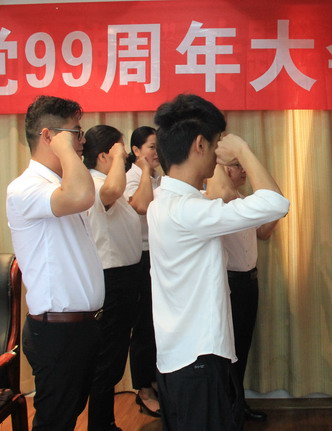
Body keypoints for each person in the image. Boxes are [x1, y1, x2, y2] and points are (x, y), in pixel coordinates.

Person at [147, 94, 289, 431]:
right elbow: (276, 203)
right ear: (200, 144)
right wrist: (242, 149)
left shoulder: (166, 201)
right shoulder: (187, 210)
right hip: (197, 358)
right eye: (216, 144)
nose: (218, 154)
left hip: (182, 356)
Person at [6, 95, 103, 431]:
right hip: (57, 331)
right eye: (76, 132)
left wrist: (66, 147)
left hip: (79, 328)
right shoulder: (24, 188)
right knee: (54, 422)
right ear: (48, 136)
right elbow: (82, 196)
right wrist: (64, 147)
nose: (82, 141)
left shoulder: (58, 185)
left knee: (66, 416)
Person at [206, 163, 279, 424]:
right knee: (229, 348)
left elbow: (263, 234)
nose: (244, 171)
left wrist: (276, 212)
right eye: (238, 166)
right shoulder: (217, 202)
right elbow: (222, 195)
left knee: (243, 345)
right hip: (229, 283)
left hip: (250, 281)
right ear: (224, 170)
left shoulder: (245, 200)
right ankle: (227, 406)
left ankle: (237, 403)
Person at [82, 125, 142, 431]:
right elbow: (114, 191)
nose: (125, 156)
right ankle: (100, 425)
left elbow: (133, 202)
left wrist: (126, 160)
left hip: (126, 278)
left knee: (114, 357)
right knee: (108, 359)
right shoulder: (96, 184)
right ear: (103, 155)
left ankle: (105, 422)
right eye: (118, 150)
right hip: (113, 280)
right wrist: (119, 155)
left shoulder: (106, 185)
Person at [124, 126, 162, 417]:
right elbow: (143, 206)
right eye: (151, 147)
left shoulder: (159, 177)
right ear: (136, 151)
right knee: (143, 326)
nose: (156, 152)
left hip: (159, 256)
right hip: (140, 258)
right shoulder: (131, 178)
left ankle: (154, 380)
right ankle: (143, 390)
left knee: (157, 324)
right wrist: (146, 172)